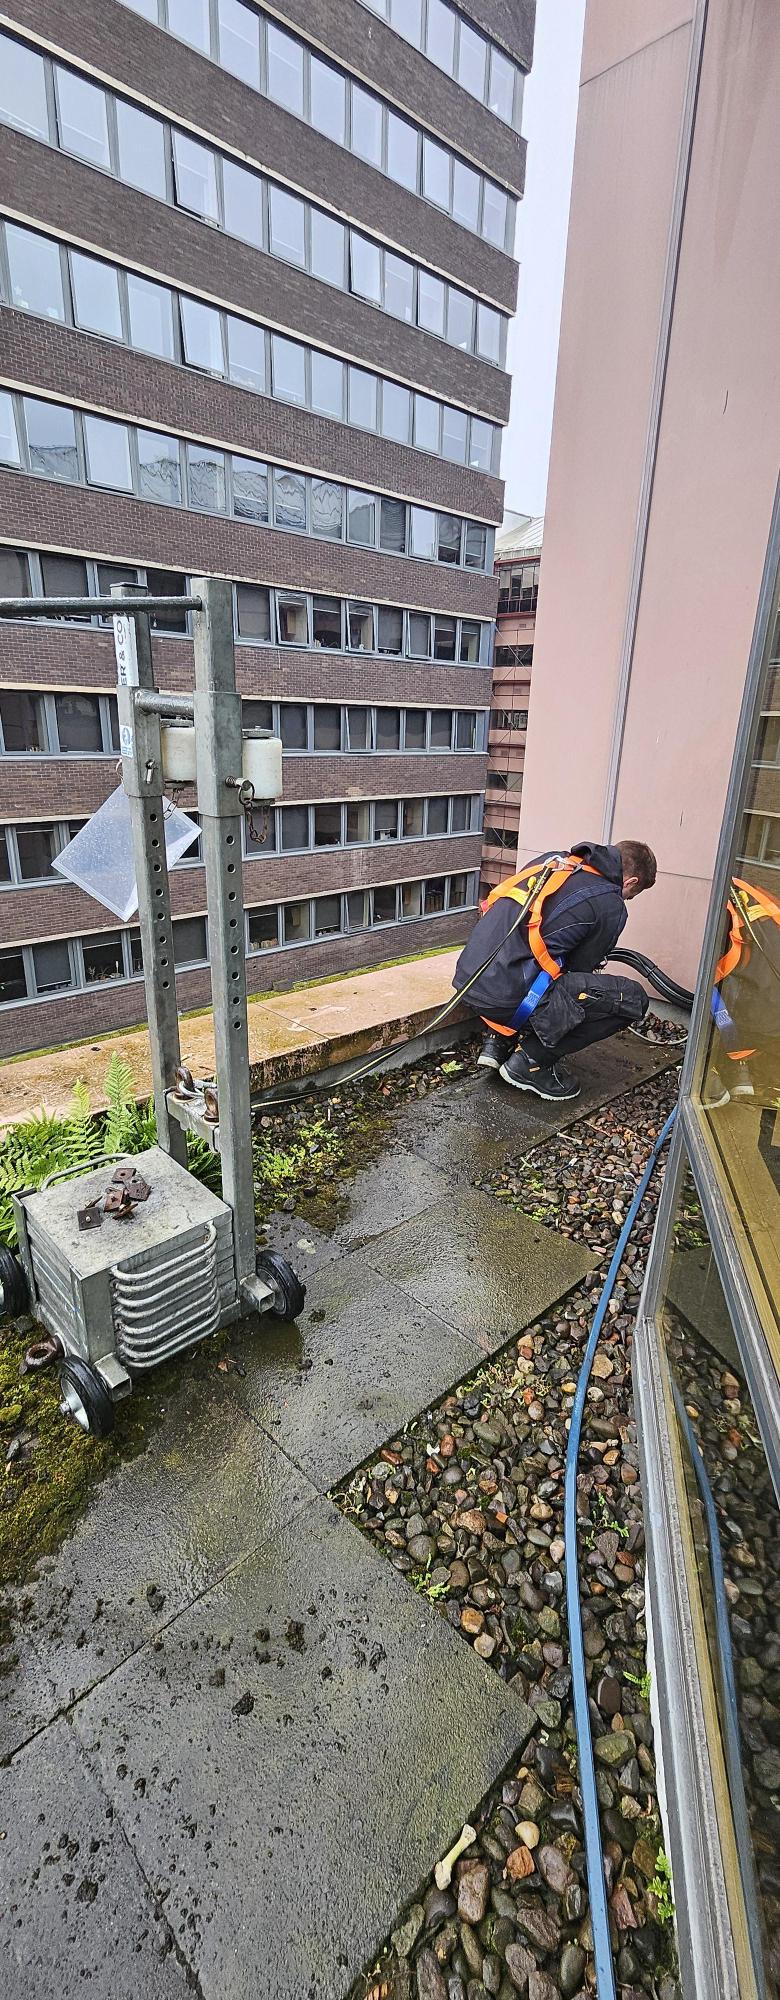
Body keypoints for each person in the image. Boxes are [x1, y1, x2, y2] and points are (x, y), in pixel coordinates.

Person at [453, 839, 657, 1101]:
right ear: (631, 882)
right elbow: (578, 971)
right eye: (632, 895)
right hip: (506, 998)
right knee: (631, 999)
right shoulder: (611, 904)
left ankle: (497, 1043)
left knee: (536, 955)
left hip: (470, 976)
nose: (627, 899)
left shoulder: (553, 861)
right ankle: (531, 1063)